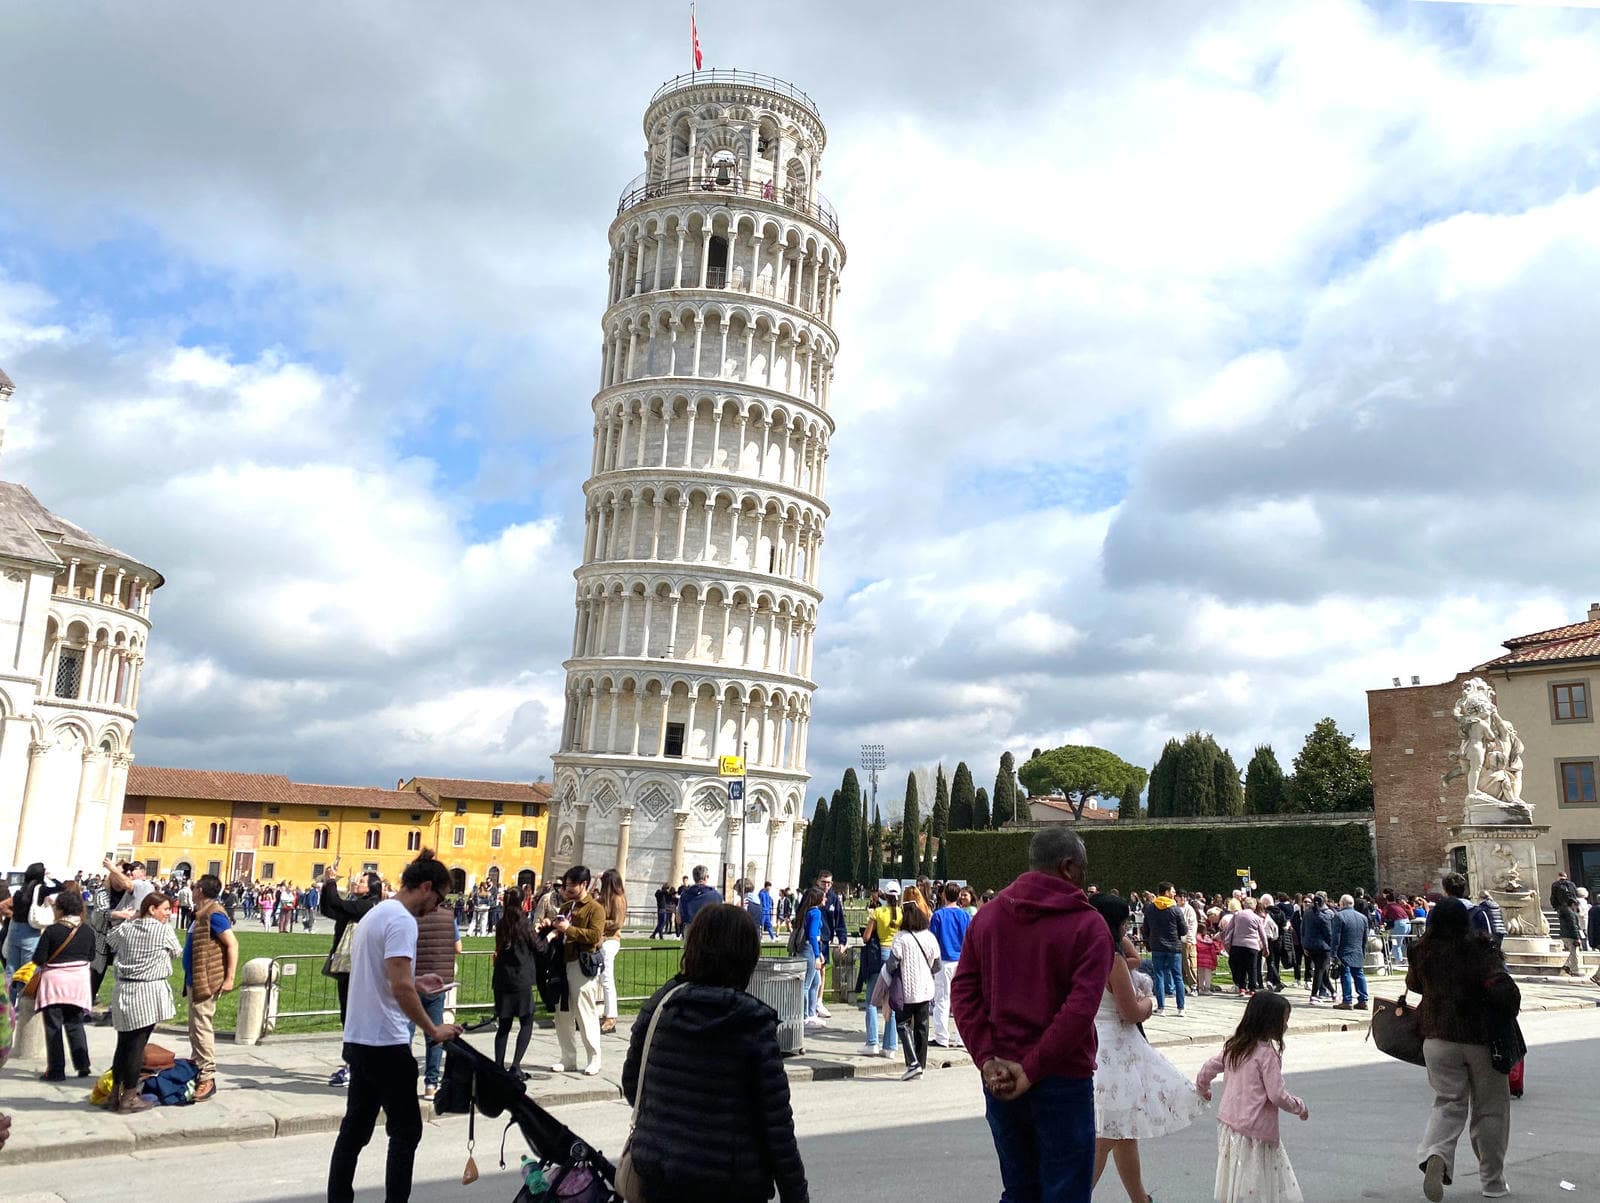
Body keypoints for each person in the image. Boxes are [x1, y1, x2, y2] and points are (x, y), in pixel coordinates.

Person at [952, 827, 1113, 1203]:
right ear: (1069, 867)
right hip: (1061, 1076)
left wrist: (987, 1058)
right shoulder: (1089, 926)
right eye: (1084, 867)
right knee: (1066, 1192)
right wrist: (1032, 1068)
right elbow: (1078, 1011)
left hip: (1001, 1076)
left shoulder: (988, 917)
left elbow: (963, 991)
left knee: (1020, 1190)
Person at [623, 903, 808, 1202]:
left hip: (659, 1173)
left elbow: (633, 1084)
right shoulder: (752, 1022)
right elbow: (776, 1127)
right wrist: (796, 1194)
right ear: (747, 956)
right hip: (730, 1182)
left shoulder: (660, 1005)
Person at [326, 851, 462, 1203]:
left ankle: (338, 1197)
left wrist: (416, 983)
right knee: (406, 1133)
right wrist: (434, 1030)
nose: (436, 907)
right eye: (439, 899)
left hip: (359, 1038)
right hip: (386, 1042)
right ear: (426, 887)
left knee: (355, 1130)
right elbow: (398, 986)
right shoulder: (402, 921)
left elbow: (387, 977)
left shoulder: (376, 913)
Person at [1087, 894, 1204, 1202]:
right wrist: (1149, 1003)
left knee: (1124, 1132)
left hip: (1093, 1042)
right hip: (1116, 1049)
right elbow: (1130, 1012)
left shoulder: (1080, 953)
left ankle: (1140, 1198)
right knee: (1108, 1132)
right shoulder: (1111, 959)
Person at [1406, 898, 1520, 1201]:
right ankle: (1492, 1182)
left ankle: (1436, 1154)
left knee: (1448, 1102)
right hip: (1480, 1038)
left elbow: (1414, 985)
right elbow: (1503, 988)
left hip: (1437, 1037)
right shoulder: (1481, 949)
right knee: (1490, 1109)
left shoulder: (1421, 951)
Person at [1196, 992, 1308, 1202]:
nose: (1286, 1026)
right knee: (1258, 1181)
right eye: (1284, 1021)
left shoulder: (1236, 1047)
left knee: (1235, 1174)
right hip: (1255, 1131)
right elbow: (1276, 1095)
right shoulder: (1267, 1055)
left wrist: (1203, 1088)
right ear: (1269, 1022)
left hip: (1229, 1124)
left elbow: (1208, 1067)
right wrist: (1299, 1106)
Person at [105, 892, 183, 1113]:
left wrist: (132, 919)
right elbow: (177, 952)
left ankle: (114, 1094)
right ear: (152, 909)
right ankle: (129, 1097)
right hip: (148, 990)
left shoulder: (127, 928)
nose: (168, 914)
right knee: (137, 1047)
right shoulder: (163, 930)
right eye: (165, 909)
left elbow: (110, 940)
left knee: (123, 1044)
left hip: (125, 989)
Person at [320, 868, 383, 1087]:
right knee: (348, 1017)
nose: (356, 882)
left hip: (358, 970)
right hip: (348, 969)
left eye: (361, 880)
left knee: (354, 1019)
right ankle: (353, 1063)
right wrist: (326, 887)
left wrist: (330, 882)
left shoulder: (368, 906)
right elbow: (329, 909)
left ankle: (353, 1066)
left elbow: (338, 904)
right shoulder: (358, 905)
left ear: (372, 887)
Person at [542, 865, 606, 1076]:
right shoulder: (566, 907)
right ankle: (568, 1057)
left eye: (572, 885)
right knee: (562, 1013)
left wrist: (568, 929)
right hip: (562, 963)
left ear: (584, 884)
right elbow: (558, 931)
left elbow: (595, 936)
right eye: (566, 885)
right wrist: (551, 927)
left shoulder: (595, 908)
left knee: (585, 1011)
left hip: (582, 963)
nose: (567, 889)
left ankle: (594, 1058)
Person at [182, 874, 238, 1102]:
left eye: (195, 887)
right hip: (195, 978)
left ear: (201, 892)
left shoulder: (214, 914)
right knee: (195, 1026)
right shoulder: (201, 913)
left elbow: (232, 943)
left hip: (207, 979)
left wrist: (229, 978)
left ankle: (207, 1075)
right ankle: (197, 1065)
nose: (192, 889)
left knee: (202, 1026)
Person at [30, 890, 94, 1082]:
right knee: (75, 1023)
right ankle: (83, 1064)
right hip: (78, 982)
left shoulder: (52, 930)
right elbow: (91, 956)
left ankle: (56, 1070)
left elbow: (38, 958)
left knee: (53, 1026)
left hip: (55, 983)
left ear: (60, 909)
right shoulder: (87, 930)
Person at [412, 882, 460, 1100]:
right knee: (435, 1032)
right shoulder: (450, 918)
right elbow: (458, 947)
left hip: (414, 979)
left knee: (405, 1033)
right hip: (438, 981)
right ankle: (431, 1084)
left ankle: (401, 1080)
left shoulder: (412, 916)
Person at [887, 899, 941, 1080]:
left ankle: (912, 1063)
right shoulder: (929, 937)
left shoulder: (901, 938)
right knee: (922, 1027)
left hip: (906, 989)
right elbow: (937, 966)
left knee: (902, 1025)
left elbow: (892, 965)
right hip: (925, 988)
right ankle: (921, 1064)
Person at [492, 886, 538, 1078]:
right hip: (520, 978)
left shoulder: (502, 922)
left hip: (503, 978)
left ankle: (499, 1066)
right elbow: (538, 946)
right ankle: (516, 1065)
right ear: (522, 901)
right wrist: (549, 934)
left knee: (504, 1024)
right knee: (526, 1021)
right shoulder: (524, 922)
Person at [857, 885, 900, 1055]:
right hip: (896, 955)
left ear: (885, 895)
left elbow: (866, 937)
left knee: (872, 1001)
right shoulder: (902, 912)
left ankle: (872, 1042)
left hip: (880, 954)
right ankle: (890, 1046)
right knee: (893, 1001)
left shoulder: (878, 912)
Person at [929, 881, 970, 1048]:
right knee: (961, 1002)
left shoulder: (938, 915)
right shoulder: (965, 916)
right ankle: (962, 1038)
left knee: (942, 1000)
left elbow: (933, 940)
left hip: (943, 960)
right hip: (960, 961)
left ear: (944, 895)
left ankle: (942, 1037)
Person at [4, 863, 53, 992]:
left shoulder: (19, 891)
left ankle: (8, 1005)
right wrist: (50, 878)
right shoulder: (40, 891)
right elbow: (61, 887)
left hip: (15, 928)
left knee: (11, 969)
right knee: (27, 971)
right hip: (30, 931)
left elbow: (6, 906)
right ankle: (22, 1005)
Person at [1142, 882, 1188, 1017]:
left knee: (1159, 976)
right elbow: (1184, 930)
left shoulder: (1150, 908)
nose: (1174, 893)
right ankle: (1181, 1008)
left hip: (1157, 946)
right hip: (1174, 947)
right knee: (1178, 977)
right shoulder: (1175, 909)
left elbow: (1145, 928)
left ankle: (1161, 1007)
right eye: (1173, 891)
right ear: (1167, 892)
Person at [813, 869, 849, 1019]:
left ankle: (818, 1002)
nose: (826, 885)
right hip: (812, 939)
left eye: (829, 883)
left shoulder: (834, 898)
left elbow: (839, 920)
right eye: (823, 882)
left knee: (821, 970)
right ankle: (808, 1003)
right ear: (818, 882)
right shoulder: (811, 896)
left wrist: (843, 940)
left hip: (825, 939)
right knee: (811, 972)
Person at [597, 869, 626, 1036]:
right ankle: (601, 1011)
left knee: (607, 978)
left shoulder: (618, 899)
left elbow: (617, 922)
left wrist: (600, 923)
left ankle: (611, 1016)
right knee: (599, 978)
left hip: (611, 940)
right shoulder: (603, 898)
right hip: (600, 940)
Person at [1330, 895, 1369, 1010]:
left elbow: (1336, 937)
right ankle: (1363, 999)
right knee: (1359, 974)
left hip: (1344, 949)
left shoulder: (1339, 916)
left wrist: (1333, 953)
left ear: (1342, 904)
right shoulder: (1363, 917)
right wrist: (1363, 950)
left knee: (1345, 973)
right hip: (1357, 949)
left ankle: (1347, 1000)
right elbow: (1365, 938)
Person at [795, 886, 827, 1029]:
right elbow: (813, 935)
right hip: (809, 949)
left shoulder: (807, 911)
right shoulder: (815, 913)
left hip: (808, 947)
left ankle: (811, 1012)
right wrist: (816, 955)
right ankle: (804, 1016)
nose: (826, 899)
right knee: (807, 984)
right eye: (824, 896)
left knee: (816, 981)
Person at [1297, 894, 1335, 1005]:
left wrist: (1304, 945)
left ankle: (1333, 992)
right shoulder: (1327, 915)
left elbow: (1302, 929)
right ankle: (1313, 995)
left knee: (1322, 971)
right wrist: (1333, 947)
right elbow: (1329, 933)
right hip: (1323, 947)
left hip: (1310, 946)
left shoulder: (1308, 913)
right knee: (1320, 970)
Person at [1552, 871, 1583, 976]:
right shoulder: (1571, 885)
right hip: (1570, 934)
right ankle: (1574, 970)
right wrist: (1577, 937)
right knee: (1575, 953)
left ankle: (1567, 966)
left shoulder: (1555, 885)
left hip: (1561, 910)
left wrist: (1556, 907)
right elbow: (1574, 926)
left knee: (1573, 952)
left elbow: (1553, 898)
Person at [677, 865, 722, 930]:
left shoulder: (684, 895)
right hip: (709, 930)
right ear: (706, 878)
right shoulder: (716, 895)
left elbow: (679, 920)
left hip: (690, 930)